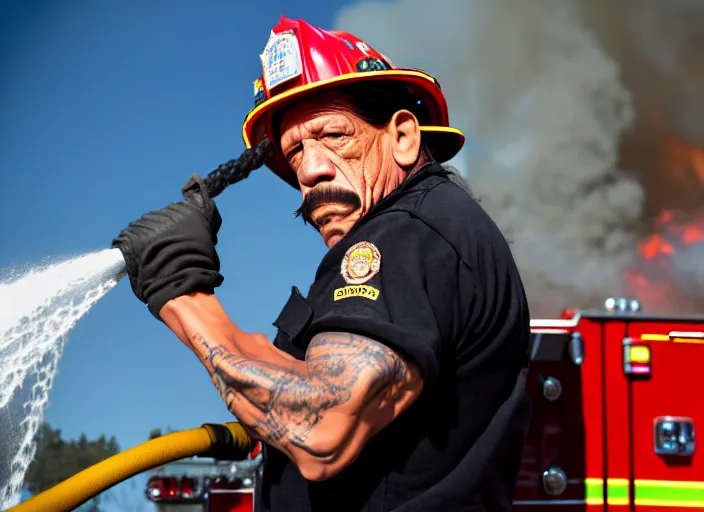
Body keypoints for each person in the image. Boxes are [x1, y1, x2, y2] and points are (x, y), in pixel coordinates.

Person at [113, 16, 532, 512]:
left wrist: (182, 294)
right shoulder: (436, 230)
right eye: (294, 151)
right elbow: (311, 389)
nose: (310, 171)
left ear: (402, 137)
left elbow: (323, 427)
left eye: (333, 135)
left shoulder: (407, 233)